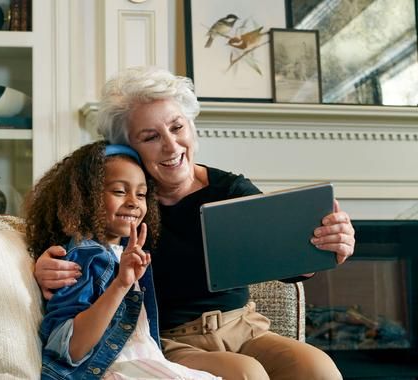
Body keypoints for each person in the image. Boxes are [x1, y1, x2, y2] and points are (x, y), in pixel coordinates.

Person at [34, 67, 355, 379]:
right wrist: (44, 263)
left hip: (245, 329)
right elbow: (83, 241)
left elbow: (288, 263)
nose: (171, 146)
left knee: (317, 368)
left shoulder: (230, 191)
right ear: (127, 149)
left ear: (191, 125)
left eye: (177, 128)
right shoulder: (128, 206)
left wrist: (325, 244)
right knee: (245, 374)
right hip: (172, 341)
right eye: (151, 137)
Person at [24, 140, 220, 379]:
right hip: (110, 371)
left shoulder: (134, 251)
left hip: (148, 362)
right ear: (86, 197)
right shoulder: (83, 258)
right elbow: (68, 348)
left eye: (141, 194)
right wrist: (121, 284)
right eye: (119, 191)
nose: (133, 202)